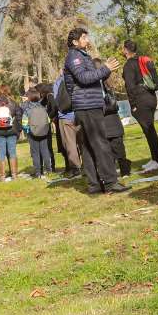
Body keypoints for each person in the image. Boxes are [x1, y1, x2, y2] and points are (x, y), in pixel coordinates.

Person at [63, 28, 129, 194]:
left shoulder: (81, 55)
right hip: (87, 106)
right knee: (100, 143)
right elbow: (84, 78)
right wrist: (105, 68)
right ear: (75, 42)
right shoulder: (74, 56)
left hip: (87, 104)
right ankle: (110, 182)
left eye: (87, 37)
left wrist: (103, 72)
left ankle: (94, 185)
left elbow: (90, 77)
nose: (87, 40)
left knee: (89, 146)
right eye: (84, 37)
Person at [121, 40, 158, 173]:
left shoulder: (128, 65)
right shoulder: (143, 60)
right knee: (150, 130)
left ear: (125, 50)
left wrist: (133, 105)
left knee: (149, 131)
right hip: (151, 97)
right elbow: (157, 83)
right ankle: (156, 159)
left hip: (141, 100)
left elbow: (130, 87)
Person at [99, 59, 132, 177]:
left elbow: (113, 105)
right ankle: (113, 172)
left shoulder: (106, 84)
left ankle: (125, 170)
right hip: (105, 123)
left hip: (111, 121)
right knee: (109, 151)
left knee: (118, 149)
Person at [0, 85, 23, 182]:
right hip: (12, 131)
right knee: (12, 153)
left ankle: (2, 176)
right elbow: (19, 117)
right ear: (8, 91)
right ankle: (14, 175)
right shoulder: (13, 103)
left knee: (1, 154)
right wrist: (18, 130)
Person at [52, 74, 82, 178]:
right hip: (80, 113)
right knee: (83, 142)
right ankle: (88, 166)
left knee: (70, 144)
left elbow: (57, 100)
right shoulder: (78, 77)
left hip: (66, 116)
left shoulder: (59, 82)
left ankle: (75, 168)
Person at [25, 88, 54, 179]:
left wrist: (28, 131)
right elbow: (48, 120)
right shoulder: (43, 108)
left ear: (29, 98)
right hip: (44, 133)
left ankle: (38, 172)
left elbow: (24, 123)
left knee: (35, 153)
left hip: (32, 134)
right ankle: (49, 170)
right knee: (45, 151)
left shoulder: (27, 110)